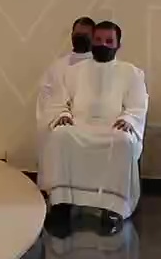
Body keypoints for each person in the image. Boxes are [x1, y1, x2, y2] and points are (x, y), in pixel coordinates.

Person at [39, 20, 148, 234]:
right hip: (80, 126)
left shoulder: (131, 72)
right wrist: (63, 114)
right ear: (92, 40)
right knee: (61, 135)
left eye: (109, 41)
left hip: (112, 128)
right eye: (98, 40)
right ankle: (62, 204)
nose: (103, 45)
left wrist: (128, 119)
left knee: (123, 141)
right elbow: (59, 101)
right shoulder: (72, 72)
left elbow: (137, 105)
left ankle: (113, 209)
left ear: (118, 44)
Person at [35, 17, 96, 153]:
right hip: (63, 123)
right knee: (62, 135)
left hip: (92, 125)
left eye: (85, 36)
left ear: (94, 37)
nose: (80, 39)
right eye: (78, 35)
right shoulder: (57, 67)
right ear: (72, 36)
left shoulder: (101, 67)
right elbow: (47, 98)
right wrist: (61, 114)